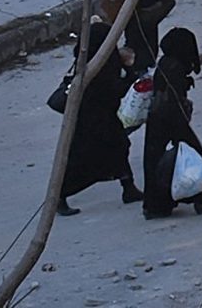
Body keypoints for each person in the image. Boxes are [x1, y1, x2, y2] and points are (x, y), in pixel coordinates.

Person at [55, 20, 141, 216]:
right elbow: (115, 90)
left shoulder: (90, 59)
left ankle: (129, 188)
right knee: (84, 160)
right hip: (93, 122)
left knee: (120, 147)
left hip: (100, 118)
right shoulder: (99, 67)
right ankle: (60, 196)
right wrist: (129, 71)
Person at [142, 27, 202, 218]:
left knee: (154, 159)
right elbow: (172, 99)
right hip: (170, 119)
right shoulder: (175, 68)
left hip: (157, 119)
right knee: (193, 154)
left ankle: (155, 205)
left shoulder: (166, 62)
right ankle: (200, 200)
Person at [108, 0, 176, 73]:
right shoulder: (148, 18)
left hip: (130, 55)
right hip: (145, 59)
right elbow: (169, 2)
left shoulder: (127, 12)